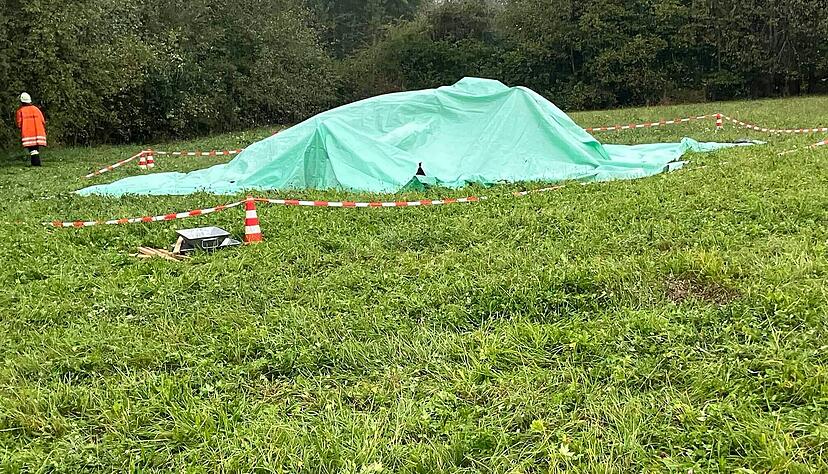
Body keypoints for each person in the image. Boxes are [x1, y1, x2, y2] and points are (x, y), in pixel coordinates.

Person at [15, 93, 47, 166]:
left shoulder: (20, 111)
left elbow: (19, 123)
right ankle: (36, 163)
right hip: (38, 132)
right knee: (35, 149)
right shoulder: (36, 109)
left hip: (27, 133)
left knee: (32, 149)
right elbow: (43, 120)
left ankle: (35, 164)